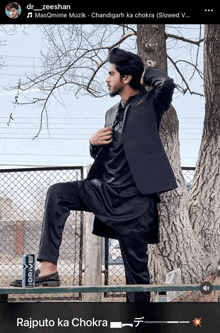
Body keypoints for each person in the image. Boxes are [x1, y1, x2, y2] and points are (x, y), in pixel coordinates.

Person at [11, 48, 177, 302]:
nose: (107, 79)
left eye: (111, 73)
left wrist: (142, 73)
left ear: (126, 78)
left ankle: (141, 321)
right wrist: (93, 143)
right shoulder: (111, 113)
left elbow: (165, 83)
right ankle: (49, 268)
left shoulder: (151, 103)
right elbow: (111, 153)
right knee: (58, 193)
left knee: (137, 280)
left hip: (135, 203)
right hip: (105, 191)